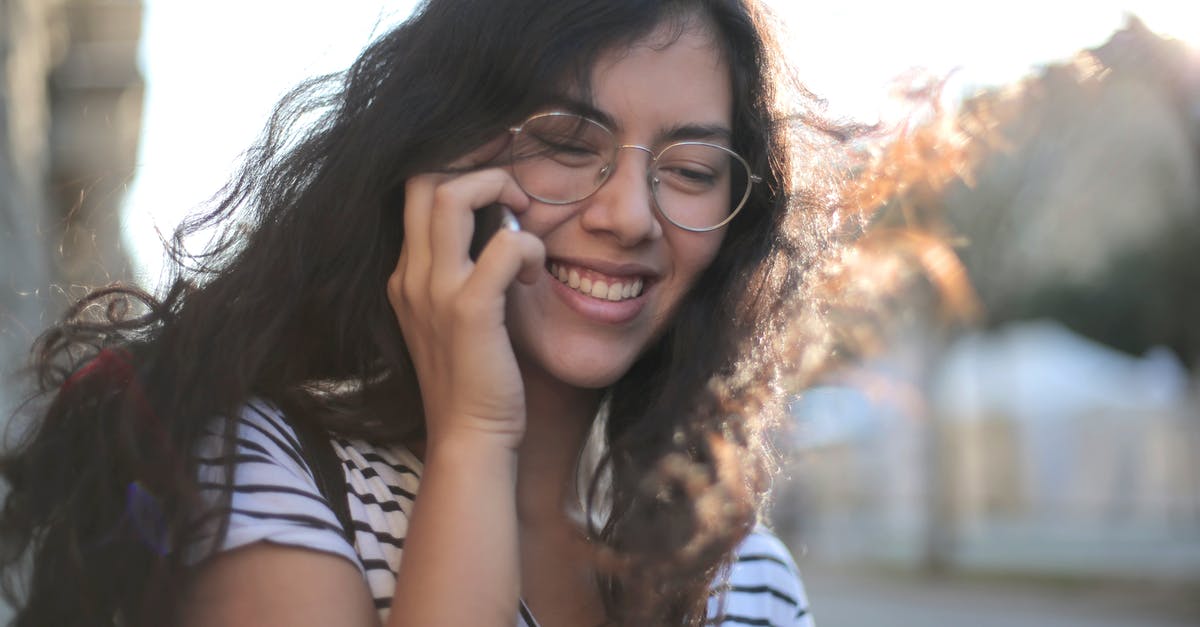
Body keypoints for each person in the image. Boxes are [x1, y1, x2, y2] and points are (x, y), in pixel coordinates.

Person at [0, 0, 853, 625]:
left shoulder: (746, 577)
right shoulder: (269, 478)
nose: (629, 214)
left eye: (693, 169)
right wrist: (476, 432)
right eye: (566, 141)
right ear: (442, 159)